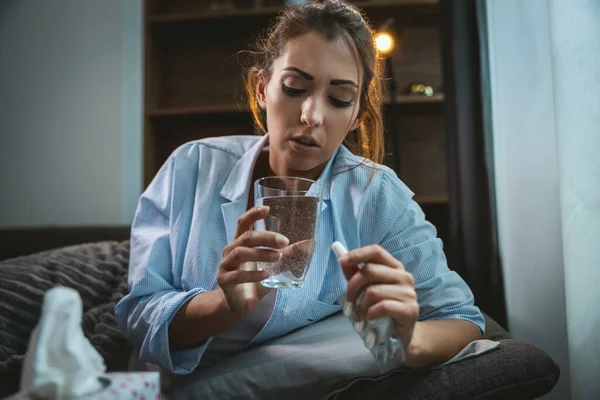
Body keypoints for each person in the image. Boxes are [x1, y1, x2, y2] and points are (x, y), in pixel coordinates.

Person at [115, 0, 484, 382]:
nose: (312, 116)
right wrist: (222, 306)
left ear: (357, 115)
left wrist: (411, 340)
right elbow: (137, 317)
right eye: (294, 88)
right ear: (261, 88)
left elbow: (462, 320)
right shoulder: (190, 167)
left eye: (339, 99)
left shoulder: (376, 194)